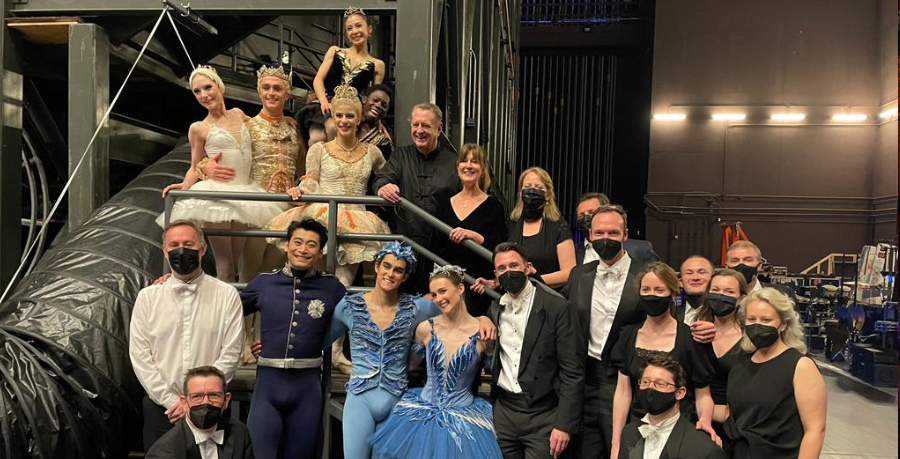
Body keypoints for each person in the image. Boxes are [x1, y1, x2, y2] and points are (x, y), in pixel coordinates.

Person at [323, 241, 496, 459]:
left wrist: (482, 319)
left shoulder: (418, 307)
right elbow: (318, 339)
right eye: (386, 266)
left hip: (397, 400)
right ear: (376, 266)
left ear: (405, 277)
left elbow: (454, 315)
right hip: (360, 399)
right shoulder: (349, 306)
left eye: (398, 270)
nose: (390, 274)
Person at [199, 64, 306, 363]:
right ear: (259, 91)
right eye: (267, 88)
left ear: (286, 93)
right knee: (249, 276)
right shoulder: (247, 124)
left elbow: (305, 165)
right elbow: (217, 146)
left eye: (278, 88)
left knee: (276, 276)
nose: (272, 93)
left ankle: (263, 341)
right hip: (256, 208)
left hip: (287, 210)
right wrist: (203, 167)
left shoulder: (294, 127)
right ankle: (242, 342)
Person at [156, 65, 285, 282]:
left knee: (237, 263)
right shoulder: (198, 128)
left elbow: (265, 126)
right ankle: (225, 315)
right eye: (197, 91)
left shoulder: (238, 114)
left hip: (245, 195)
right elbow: (194, 165)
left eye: (207, 87)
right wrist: (189, 181)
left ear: (219, 86)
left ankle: (237, 310)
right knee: (225, 263)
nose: (204, 95)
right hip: (218, 195)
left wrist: (284, 121)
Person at [130, 220, 244, 450]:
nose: (181, 249)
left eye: (188, 243)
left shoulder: (227, 295)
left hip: (209, 407)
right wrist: (172, 401)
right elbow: (140, 356)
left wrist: (199, 400)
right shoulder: (147, 298)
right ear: (165, 251)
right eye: (174, 244)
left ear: (202, 249)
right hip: (162, 407)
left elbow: (231, 352)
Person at [368, 265, 503, 459]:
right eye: (434, 294)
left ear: (460, 289)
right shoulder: (425, 329)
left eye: (443, 291)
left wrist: (486, 330)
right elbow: (410, 367)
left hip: (462, 417)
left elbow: (494, 370)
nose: (439, 298)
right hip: (421, 413)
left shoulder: (482, 332)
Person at [240, 219, 347, 459]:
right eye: (297, 242)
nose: (303, 249)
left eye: (311, 245)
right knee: (259, 453)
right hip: (268, 384)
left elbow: (358, 317)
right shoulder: (264, 282)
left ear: (320, 252)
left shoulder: (331, 287)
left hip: (307, 386)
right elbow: (228, 311)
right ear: (286, 246)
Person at [264, 84, 390, 287]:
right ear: (332, 118)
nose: (344, 121)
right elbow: (311, 180)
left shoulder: (373, 151)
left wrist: (388, 187)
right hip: (323, 216)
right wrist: (301, 190)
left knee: (343, 285)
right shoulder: (319, 149)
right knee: (318, 284)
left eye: (349, 116)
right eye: (338, 115)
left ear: (358, 119)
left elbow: (387, 177)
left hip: (357, 221)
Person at [609, 262, 718, 459]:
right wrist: (616, 443)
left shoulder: (690, 338)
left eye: (659, 289)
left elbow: (703, 394)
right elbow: (623, 392)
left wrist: (705, 422)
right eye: (646, 289)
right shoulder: (628, 334)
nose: (652, 295)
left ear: (672, 292)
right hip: (637, 429)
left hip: (678, 428)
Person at [488, 242, 585, 459]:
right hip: (504, 411)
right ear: (495, 274)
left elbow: (573, 371)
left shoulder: (558, 308)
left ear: (528, 267)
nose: (508, 272)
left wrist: (565, 424)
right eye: (502, 268)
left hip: (544, 414)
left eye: (514, 265)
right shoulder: (495, 308)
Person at [564, 204, 645, 459]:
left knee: (622, 453)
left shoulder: (644, 276)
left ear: (625, 235)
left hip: (624, 383)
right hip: (585, 381)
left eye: (612, 232)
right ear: (589, 236)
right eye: (599, 233)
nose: (605, 239)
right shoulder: (579, 274)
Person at [724, 288, 827, 459]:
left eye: (766, 319)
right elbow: (736, 413)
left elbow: (815, 430)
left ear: (783, 324)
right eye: (751, 319)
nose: (757, 325)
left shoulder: (801, 366)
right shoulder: (742, 360)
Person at [373, 104, 461, 293]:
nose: (419, 131)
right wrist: (383, 187)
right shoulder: (400, 155)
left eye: (426, 126)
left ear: (439, 129)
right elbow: (382, 179)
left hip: (441, 249)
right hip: (405, 244)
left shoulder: (455, 161)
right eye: (415, 125)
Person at [434, 143, 507, 317]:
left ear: (482, 168)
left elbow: (500, 246)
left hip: (478, 285)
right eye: (464, 161)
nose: (468, 165)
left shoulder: (494, 206)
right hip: (449, 285)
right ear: (458, 167)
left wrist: (475, 236)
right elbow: (436, 246)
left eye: (474, 161)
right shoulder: (444, 204)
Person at [298, 6, 385, 145]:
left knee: (332, 128)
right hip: (325, 104)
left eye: (358, 26)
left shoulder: (377, 64)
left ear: (369, 30)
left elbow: (375, 98)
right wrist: (324, 102)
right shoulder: (335, 51)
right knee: (315, 138)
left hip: (350, 110)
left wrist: (378, 120)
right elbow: (318, 80)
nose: (355, 31)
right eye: (349, 28)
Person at [616, 356, 727, 459]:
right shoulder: (629, 434)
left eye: (660, 384)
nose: (650, 388)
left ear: (680, 393)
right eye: (645, 382)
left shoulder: (704, 449)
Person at [146, 366, 254, 459]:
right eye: (197, 396)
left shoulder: (239, 432)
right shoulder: (163, 452)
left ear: (226, 400)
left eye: (214, 395)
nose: (206, 402)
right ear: (184, 402)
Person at [695, 268, 748, 451]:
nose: (721, 296)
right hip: (698, 417)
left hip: (737, 422)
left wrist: (725, 414)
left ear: (740, 298)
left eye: (729, 292)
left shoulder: (749, 338)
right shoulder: (694, 331)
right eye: (715, 290)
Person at [506, 167, 575, 288]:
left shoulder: (558, 226)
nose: (532, 190)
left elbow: (569, 272)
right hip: (513, 295)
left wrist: (533, 279)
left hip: (546, 297)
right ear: (520, 192)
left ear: (547, 195)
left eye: (538, 188)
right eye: (527, 186)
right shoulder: (511, 224)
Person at [573, 192, 660, 266]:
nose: (585, 218)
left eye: (591, 212)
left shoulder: (640, 250)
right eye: (581, 215)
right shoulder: (572, 253)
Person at [725, 241, 794, 298]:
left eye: (748, 260)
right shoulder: (719, 297)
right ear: (727, 267)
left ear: (759, 266)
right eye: (735, 260)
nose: (741, 264)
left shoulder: (783, 295)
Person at [359, 84, 394, 159]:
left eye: (384, 105)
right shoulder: (346, 124)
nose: (378, 105)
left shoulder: (383, 142)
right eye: (375, 100)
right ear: (364, 99)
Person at [677, 255, 714, 324]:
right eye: (689, 273)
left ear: (714, 278)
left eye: (702, 272)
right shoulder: (670, 313)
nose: (695, 277)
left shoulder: (722, 313)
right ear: (680, 282)